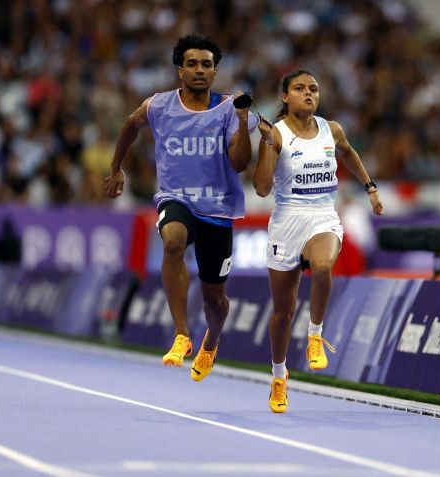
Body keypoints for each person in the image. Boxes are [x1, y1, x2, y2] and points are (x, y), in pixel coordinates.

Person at [105, 34, 257, 381]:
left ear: (215, 72)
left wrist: (244, 121)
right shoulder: (159, 105)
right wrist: (116, 167)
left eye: (206, 64)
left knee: (215, 300)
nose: (199, 70)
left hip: (218, 209)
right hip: (177, 197)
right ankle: (182, 335)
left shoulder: (228, 109)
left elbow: (238, 164)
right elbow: (130, 125)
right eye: (192, 64)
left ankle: (211, 340)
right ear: (180, 71)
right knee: (172, 241)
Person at [254, 69, 384, 413]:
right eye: (299, 89)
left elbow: (349, 152)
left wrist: (370, 188)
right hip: (286, 220)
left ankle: (315, 336)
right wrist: (266, 144)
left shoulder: (332, 129)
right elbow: (262, 188)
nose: (308, 94)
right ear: (285, 97)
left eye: (314, 89)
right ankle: (279, 377)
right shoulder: (277, 134)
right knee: (282, 313)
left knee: (324, 264)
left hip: (324, 215)